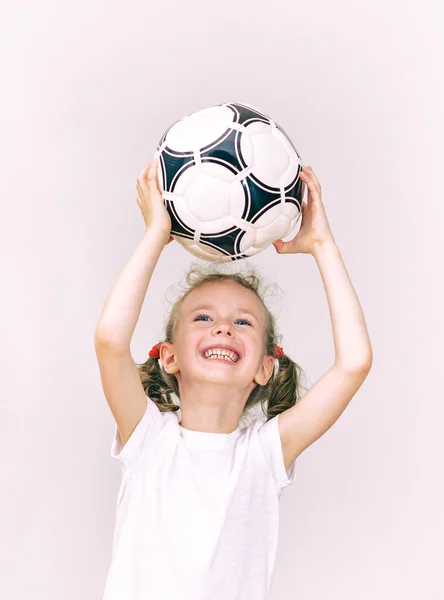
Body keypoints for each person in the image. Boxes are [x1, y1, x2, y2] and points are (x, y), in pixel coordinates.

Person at [94, 159, 373, 600]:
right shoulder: (147, 438)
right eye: (203, 317)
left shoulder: (264, 454)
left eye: (243, 322)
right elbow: (110, 341)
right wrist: (154, 235)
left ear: (264, 367)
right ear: (169, 357)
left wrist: (321, 242)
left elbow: (354, 363)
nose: (222, 327)